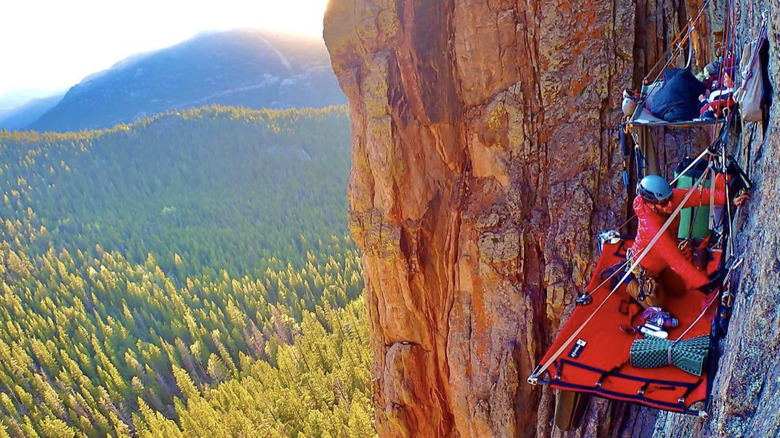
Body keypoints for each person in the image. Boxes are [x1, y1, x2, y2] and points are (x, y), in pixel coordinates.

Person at [626, 173, 749, 306]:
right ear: (651, 205)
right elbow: (676, 260)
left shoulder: (668, 200)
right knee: (657, 305)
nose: (671, 204)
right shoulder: (653, 228)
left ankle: (659, 281)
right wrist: (706, 285)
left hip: (661, 264)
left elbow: (698, 196)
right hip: (644, 268)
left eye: (670, 198)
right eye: (664, 203)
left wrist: (729, 199)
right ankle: (627, 280)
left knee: (679, 290)